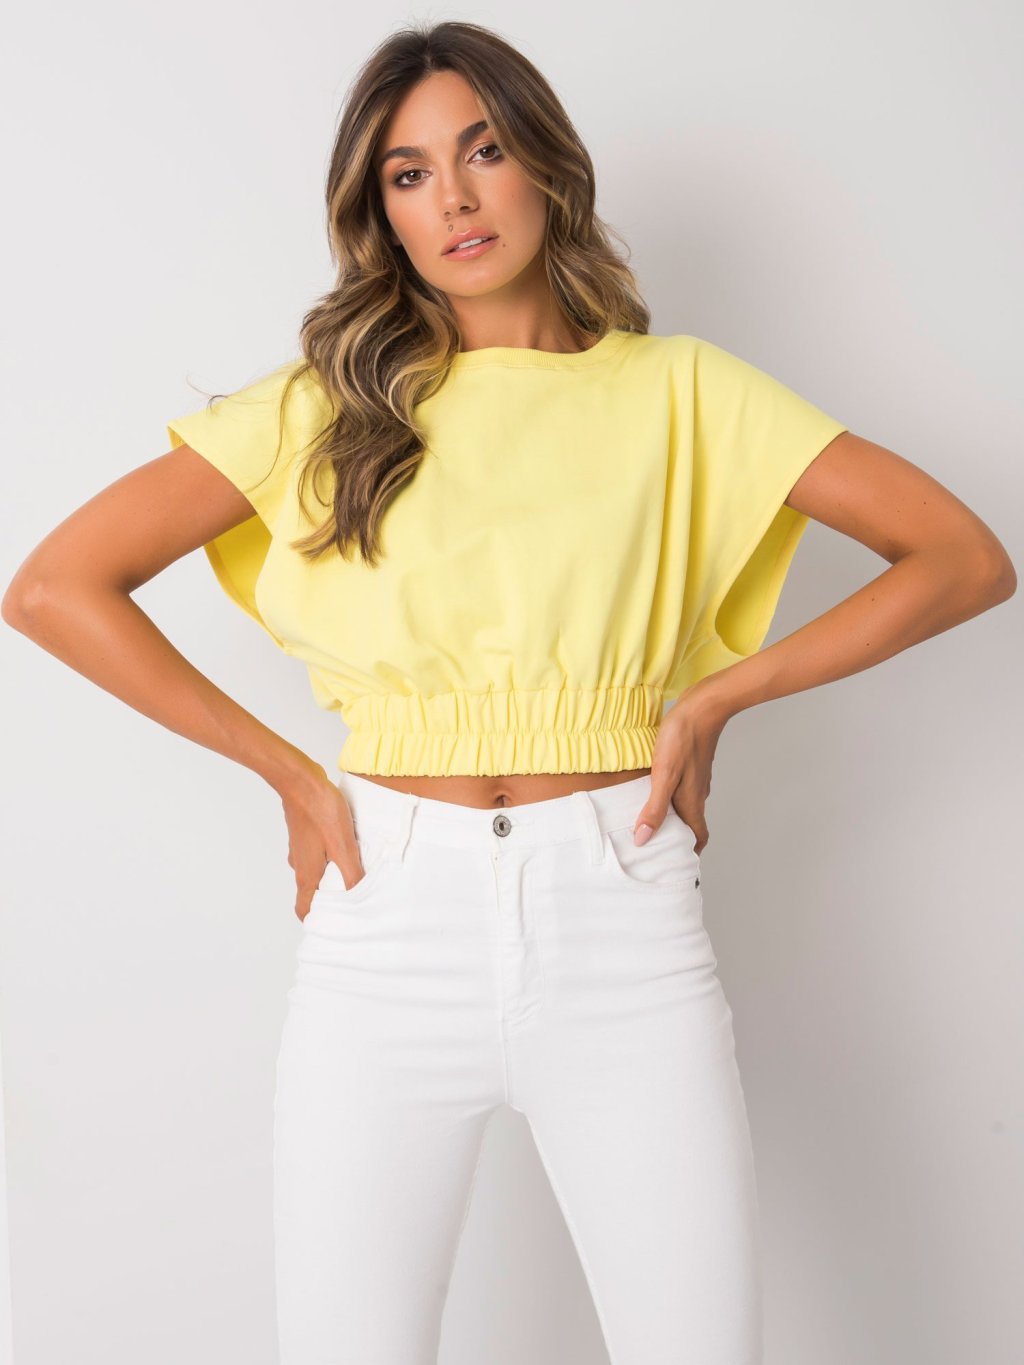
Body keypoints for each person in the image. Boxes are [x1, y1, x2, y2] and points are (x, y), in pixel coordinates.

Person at [3, 19, 1015, 1365]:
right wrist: (290, 773)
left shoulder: (681, 392)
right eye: (410, 174)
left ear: (546, 163)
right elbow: (54, 587)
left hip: (622, 917)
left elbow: (963, 558)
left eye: (482, 152)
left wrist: (718, 698)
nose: (456, 199)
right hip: (385, 921)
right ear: (382, 214)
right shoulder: (328, 408)